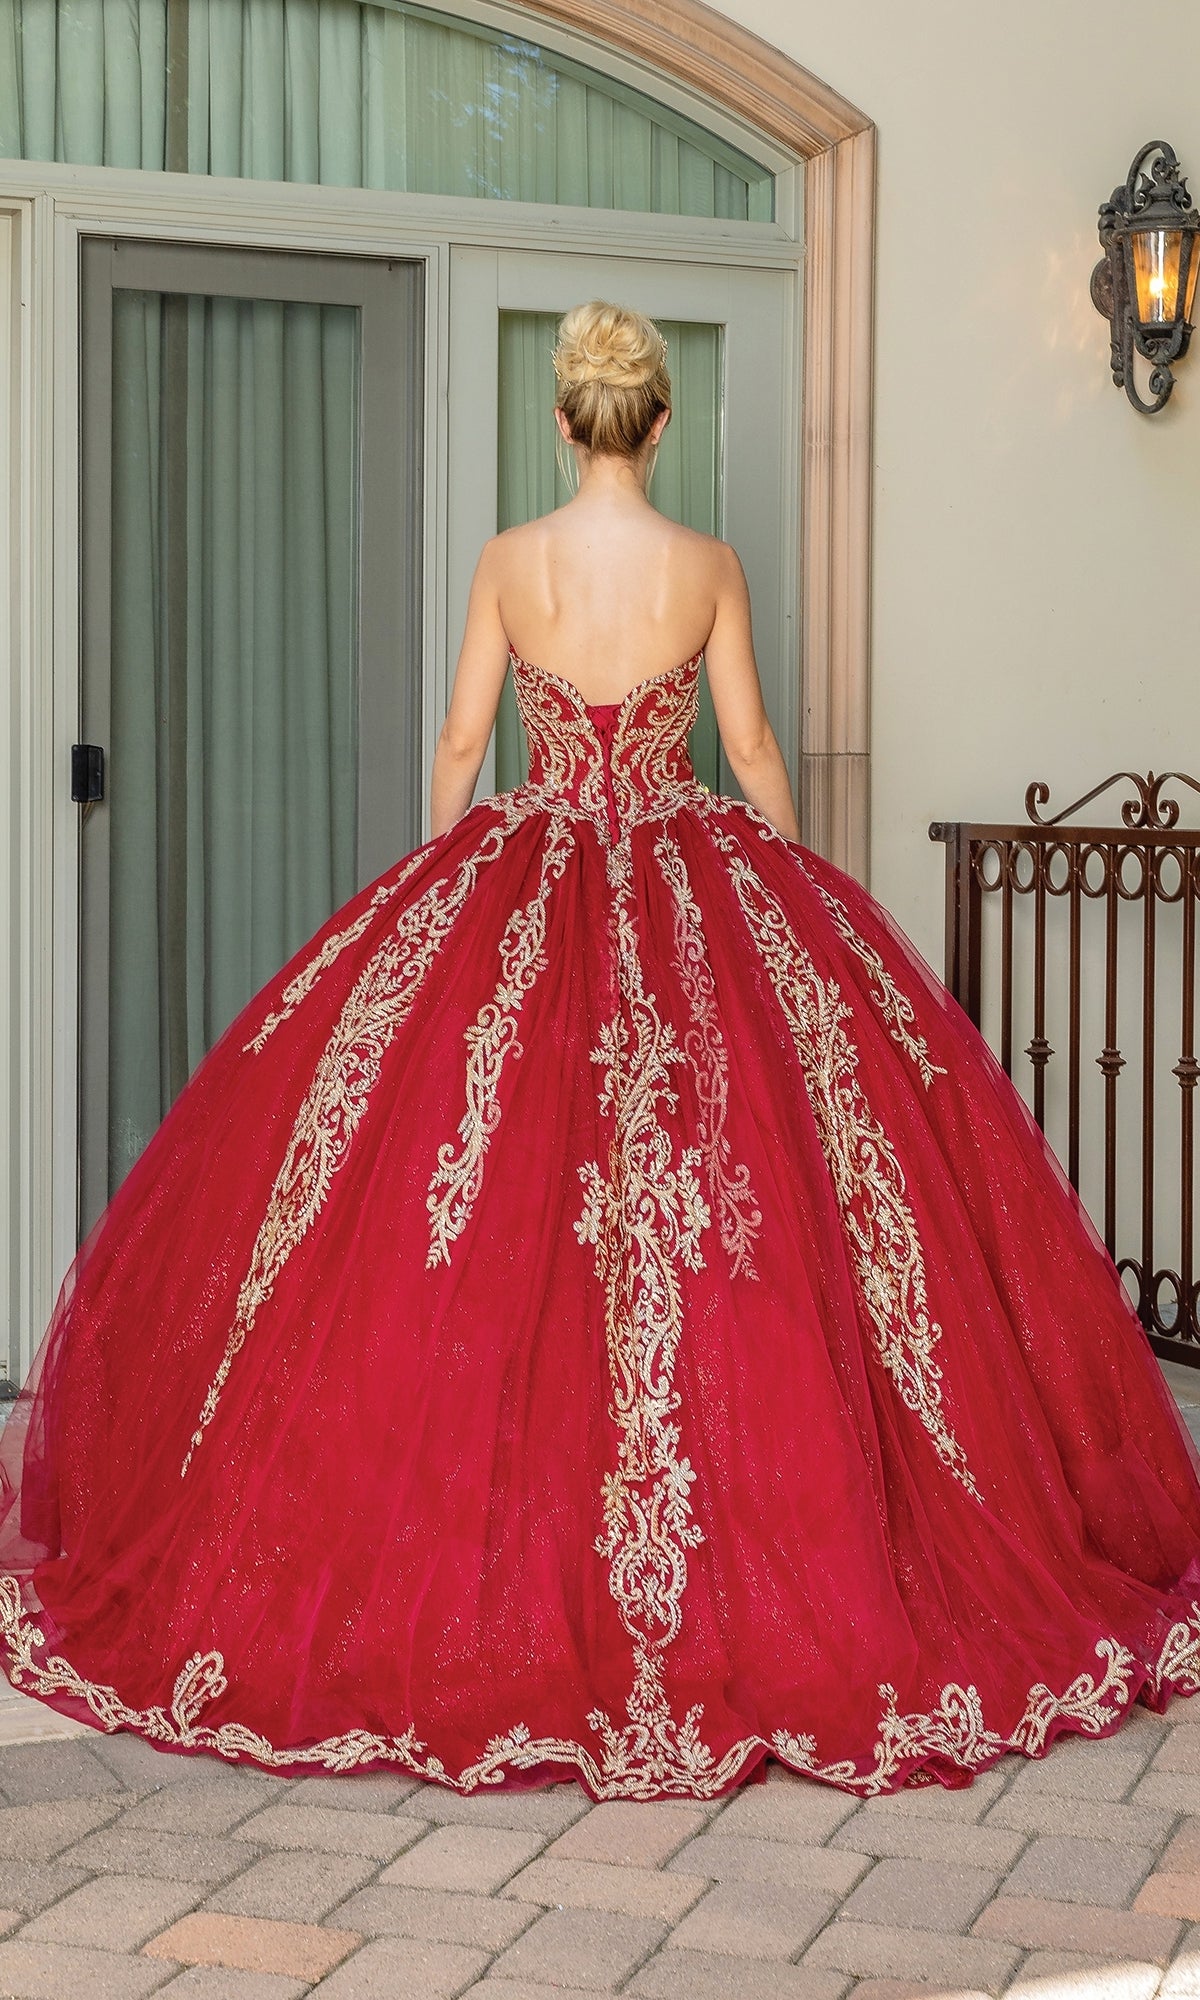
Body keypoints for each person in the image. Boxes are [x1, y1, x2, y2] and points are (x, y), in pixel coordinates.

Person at [1, 300, 1199, 1806]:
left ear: (562, 421)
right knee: (732, 1234)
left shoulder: (513, 558)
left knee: (490, 1232)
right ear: (663, 423)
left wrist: (440, 898)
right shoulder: (708, 567)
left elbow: (459, 744)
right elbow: (753, 746)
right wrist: (793, 883)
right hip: (695, 875)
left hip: (529, 875)